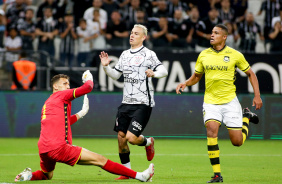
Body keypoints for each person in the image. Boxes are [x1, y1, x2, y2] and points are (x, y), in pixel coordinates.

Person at [14, 70, 154, 182]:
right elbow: (88, 87)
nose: (68, 86)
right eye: (65, 83)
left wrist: (81, 113)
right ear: (55, 86)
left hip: (44, 148)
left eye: (68, 84)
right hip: (58, 147)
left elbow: (64, 121)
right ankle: (140, 176)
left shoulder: (48, 103)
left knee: (47, 175)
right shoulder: (61, 96)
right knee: (100, 160)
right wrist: (88, 77)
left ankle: (28, 176)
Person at [176, 24, 263, 183]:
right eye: (211, 32)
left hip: (230, 102)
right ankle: (217, 175)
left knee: (237, 142)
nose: (212, 35)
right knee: (211, 130)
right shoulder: (203, 55)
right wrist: (185, 83)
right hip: (210, 102)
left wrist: (257, 95)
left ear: (224, 37)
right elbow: (197, 76)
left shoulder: (235, 54)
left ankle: (246, 117)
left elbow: (250, 73)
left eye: (216, 33)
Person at [100, 24, 168, 180]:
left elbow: (164, 71)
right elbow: (116, 75)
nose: (132, 35)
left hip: (143, 102)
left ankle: (148, 142)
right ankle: (126, 172)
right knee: (121, 137)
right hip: (126, 102)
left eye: (136, 34)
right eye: (131, 33)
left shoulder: (149, 54)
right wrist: (106, 67)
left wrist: (154, 73)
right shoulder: (124, 54)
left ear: (143, 37)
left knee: (131, 137)